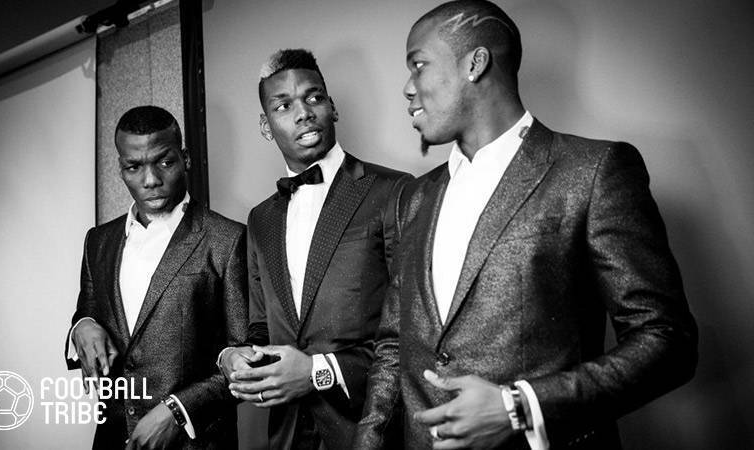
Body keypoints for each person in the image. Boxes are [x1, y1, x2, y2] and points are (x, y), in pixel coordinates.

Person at [355, 1, 698, 449]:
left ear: (475, 63)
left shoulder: (593, 171)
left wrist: (522, 407)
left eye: (418, 66)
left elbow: (667, 341)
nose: (407, 87)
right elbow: (393, 346)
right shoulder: (414, 198)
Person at [217, 49, 411, 449]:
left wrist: (318, 372)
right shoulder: (260, 219)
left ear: (332, 107)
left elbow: (412, 326)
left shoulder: (394, 191)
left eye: (314, 97)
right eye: (284, 105)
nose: (304, 112)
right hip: (288, 434)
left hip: (369, 431)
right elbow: (261, 326)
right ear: (266, 125)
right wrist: (236, 358)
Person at [65, 105, 248, 449]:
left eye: (164, 162)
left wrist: (178, 411)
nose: (150, 180)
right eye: (134, 167)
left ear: (185, 158)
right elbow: (87, 311)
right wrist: (82, 326)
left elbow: (244, 356)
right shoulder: (98, 241)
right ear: (121, 168)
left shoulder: (228, 239)